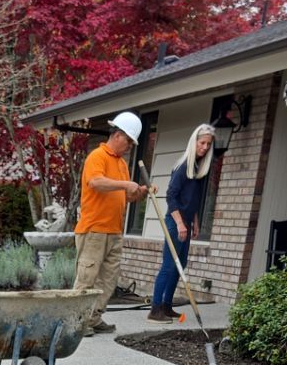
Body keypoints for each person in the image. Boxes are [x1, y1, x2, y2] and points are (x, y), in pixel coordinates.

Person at [74, 111, 149, 336]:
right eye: (128, 141)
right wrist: (126, 185)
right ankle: (77, 322)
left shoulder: (122, 165)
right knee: (87, 278)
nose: (129, 147)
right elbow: (95, 182)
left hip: (115, 231)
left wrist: (139, 193)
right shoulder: (97, 156)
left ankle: (94, 318)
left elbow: (124, 196)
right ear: (117, 135)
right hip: (94, 229)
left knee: (108, 279)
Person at [148, 124, 215, 322]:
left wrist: (194, 221)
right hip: (174, 220)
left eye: (208, 144)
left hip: (185, 220)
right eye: (202, 142)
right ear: (194, 142)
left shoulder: (199, 169)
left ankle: (167, 306)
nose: (204, 147)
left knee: (180, 264)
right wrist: (179, 223)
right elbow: (171, 196)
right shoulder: (184, 165)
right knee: (169, 265)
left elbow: (192, 200)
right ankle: (155, 309)